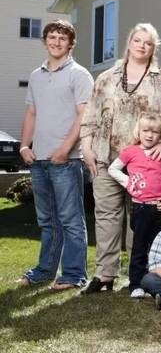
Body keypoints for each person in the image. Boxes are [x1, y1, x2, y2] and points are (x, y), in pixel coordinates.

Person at [80, 23, 161, 294]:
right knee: (106, 216)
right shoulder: (107, 78)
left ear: (154, 48)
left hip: (149, 163)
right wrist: (86, 147)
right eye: (137, 40)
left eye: (148, 43)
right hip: (108, 157)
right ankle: (105, 275)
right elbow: (90, 116)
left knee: (142, 220)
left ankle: (141, 275)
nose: (142, 46)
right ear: (129, 42)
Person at [17, 19, 93, 290]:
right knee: (47, 220)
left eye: (62, 37)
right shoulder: (36, 75)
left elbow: (84, 116)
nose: (56, 41)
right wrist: (25, 146)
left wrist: (64, 149)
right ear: (45, 40)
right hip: (38, 160)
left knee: (71, 220)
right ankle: (45, 270)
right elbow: (32, 113)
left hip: (66, 161)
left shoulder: (80, 74)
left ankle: (73, 274)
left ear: (70, 43)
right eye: (52, 36)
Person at [108, 112, 161, 298]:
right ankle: (136, 285)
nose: (149, 135)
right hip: (140, 208)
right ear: (138, 131)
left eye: (155, 132)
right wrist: (129, 182)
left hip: (160, 208)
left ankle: (160, 285)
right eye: (145, 130)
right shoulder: (130, 151)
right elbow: (112, 169)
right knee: (139, 247)